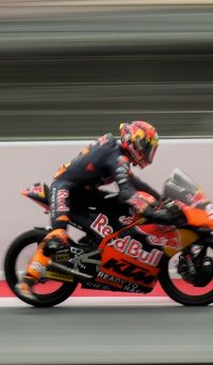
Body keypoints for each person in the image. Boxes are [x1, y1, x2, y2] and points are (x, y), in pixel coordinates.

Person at [17, 120, 169, 300]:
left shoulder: (118, 155)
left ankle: (98, 246)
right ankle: (28, 281)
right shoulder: (117, 157)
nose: (147, 152)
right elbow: (127, 190)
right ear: (133, 141)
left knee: (121, 207)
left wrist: (160, 200)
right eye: (146, 146)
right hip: (66, 189)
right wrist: (150, 211)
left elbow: (135, 183)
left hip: (83, 192)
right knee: (58, 235)